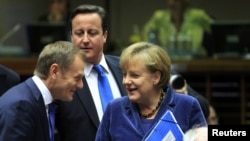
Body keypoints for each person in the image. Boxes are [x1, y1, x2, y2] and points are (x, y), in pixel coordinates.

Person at [95, 41, 207, 140]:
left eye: (134, 75)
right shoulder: (114, 110)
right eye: (124, 75)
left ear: (156, 77)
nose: (126, 81)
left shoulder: (187, 106)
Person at [55, 4, 127, 141]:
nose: (85, 40)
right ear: (71, 36)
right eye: (79, 33)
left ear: (105, 36)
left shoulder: (124, 67)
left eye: (92, 33)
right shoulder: (60, 78)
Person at [0, 41, 85, 141]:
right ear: (54, 71)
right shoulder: (22, 105)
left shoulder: (40, 100)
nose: (81, 85)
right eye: (77, 78)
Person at [142, 0, 214, 56]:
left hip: (196, 59)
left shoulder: (198, 16)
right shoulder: (160, 17)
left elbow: (217, 29)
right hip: (169, 59)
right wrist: (152, 52)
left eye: (176, 0)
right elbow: (146, 32)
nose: (171, 3)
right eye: (169, 0)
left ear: (184, 2)